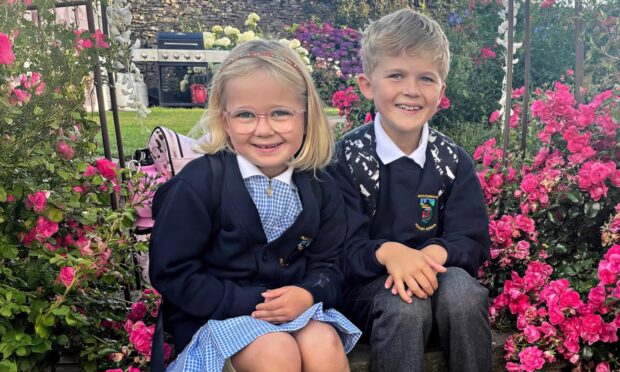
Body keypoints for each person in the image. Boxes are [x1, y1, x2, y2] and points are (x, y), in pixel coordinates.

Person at [149, 39, 360, 372]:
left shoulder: (320, 187)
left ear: (305, 116)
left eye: (280, 113)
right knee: (275, 351)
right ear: (225, 118)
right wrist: (250, 302)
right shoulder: (200, 184)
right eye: (246, 114)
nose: (264, 129)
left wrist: (308, 293)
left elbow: (331, 265)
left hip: (295, 310)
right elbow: (172, 272)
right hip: (215, 316)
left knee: (323, 343)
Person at [329, 8, 492, 372]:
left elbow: (473, 240)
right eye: (396, 75)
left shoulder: (453, 161)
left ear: (441, 91)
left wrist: (433, 252)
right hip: (371, 299)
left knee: (465, 293)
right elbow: (340, 251)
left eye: (426, 78)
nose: (411, 90)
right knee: (405, 304)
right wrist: (389, 253)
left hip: (443, 291)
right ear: (367, 85)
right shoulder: (346, 160)